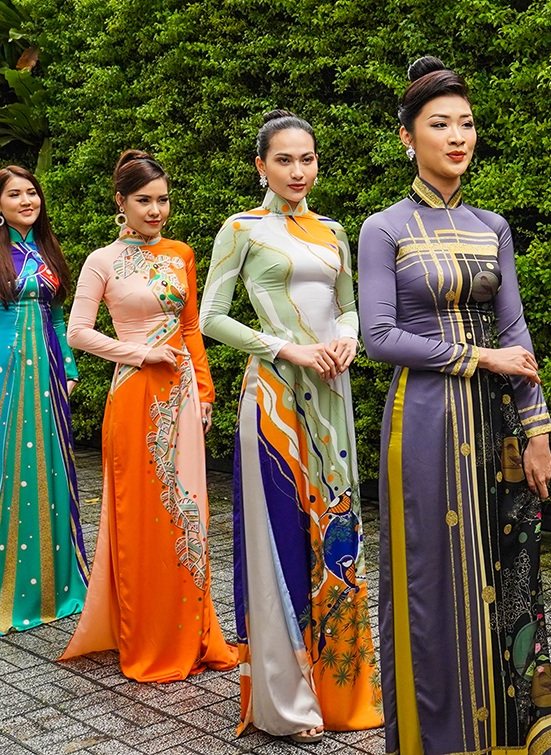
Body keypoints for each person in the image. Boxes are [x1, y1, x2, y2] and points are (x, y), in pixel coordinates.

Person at [358, 59, 551, 755]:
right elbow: (378, 336)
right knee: (434, 581)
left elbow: (517, 331)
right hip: (424, 420)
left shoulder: (492, 225)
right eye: (440, 124)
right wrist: (480, 360)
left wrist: (536, 427)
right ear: (406, 137)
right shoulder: (384, 227)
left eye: (467, 124)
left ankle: (507, 739)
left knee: (507, 577)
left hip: (498, 426)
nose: (457, 137)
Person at [200, 110, 382, 741]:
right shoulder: (240, 229)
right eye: (284, 160)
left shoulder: (334, 230)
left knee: (337, 526)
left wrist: (349, 339)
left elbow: (349, 305)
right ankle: (285, 701)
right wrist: (285, 348)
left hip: (332, 392)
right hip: (274, 396)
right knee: (280, 530)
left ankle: (342, 691)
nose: (298, 171)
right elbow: (210, 318)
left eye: (306, 159)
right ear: (261, 165)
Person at [59, 150, 239, 681]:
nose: (156, 210)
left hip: (181, 398)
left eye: (162, 199)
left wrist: (204, 393)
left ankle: (193, 633)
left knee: (188, 514)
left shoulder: (181, 252)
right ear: (121, 202)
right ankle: (145, 636)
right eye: (144, 201)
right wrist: (139, 353)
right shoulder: (101, 261)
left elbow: (189, 329)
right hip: (135, 394)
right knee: (142, 515)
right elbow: (77, 332)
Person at [0, 164, 87, 635]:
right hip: (3, 371)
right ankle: (9, 586)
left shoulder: (47, 252)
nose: (27, 201)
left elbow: (56, 320)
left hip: (47, 372)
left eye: (32, 192)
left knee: (51, 469)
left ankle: (59, 584)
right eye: (15, 195)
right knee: (4, 473)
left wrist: (69, 371)